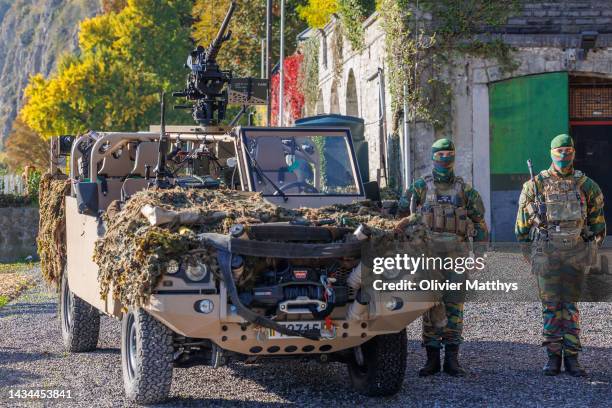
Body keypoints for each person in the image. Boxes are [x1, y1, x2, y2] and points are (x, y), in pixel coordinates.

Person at [515, 133, 606, 376]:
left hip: (575, 256)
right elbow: (522, 227)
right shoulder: (535, 185)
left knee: (571, 307)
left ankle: (573, 358)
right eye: (559, 151)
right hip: (547, 256)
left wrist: (589, 252)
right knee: (551, 306)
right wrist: (529, 254)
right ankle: (553, 357)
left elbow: (598, 226)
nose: (564, 155)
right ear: (551, 153)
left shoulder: (587, 186)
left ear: (574, 153)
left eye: (568, 150)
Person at [398, 138, 488, 377]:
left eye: (449, 155)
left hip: (457, 258)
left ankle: (452, 360)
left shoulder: (466, 191)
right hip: (427, 258)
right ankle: (431, 360)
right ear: (433, 158)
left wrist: (479, 254)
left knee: (454, 307)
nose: (445, 159)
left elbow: (479, 224)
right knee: (430, 305)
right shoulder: (419, 187)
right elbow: (399, 217)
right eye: (440, 155)